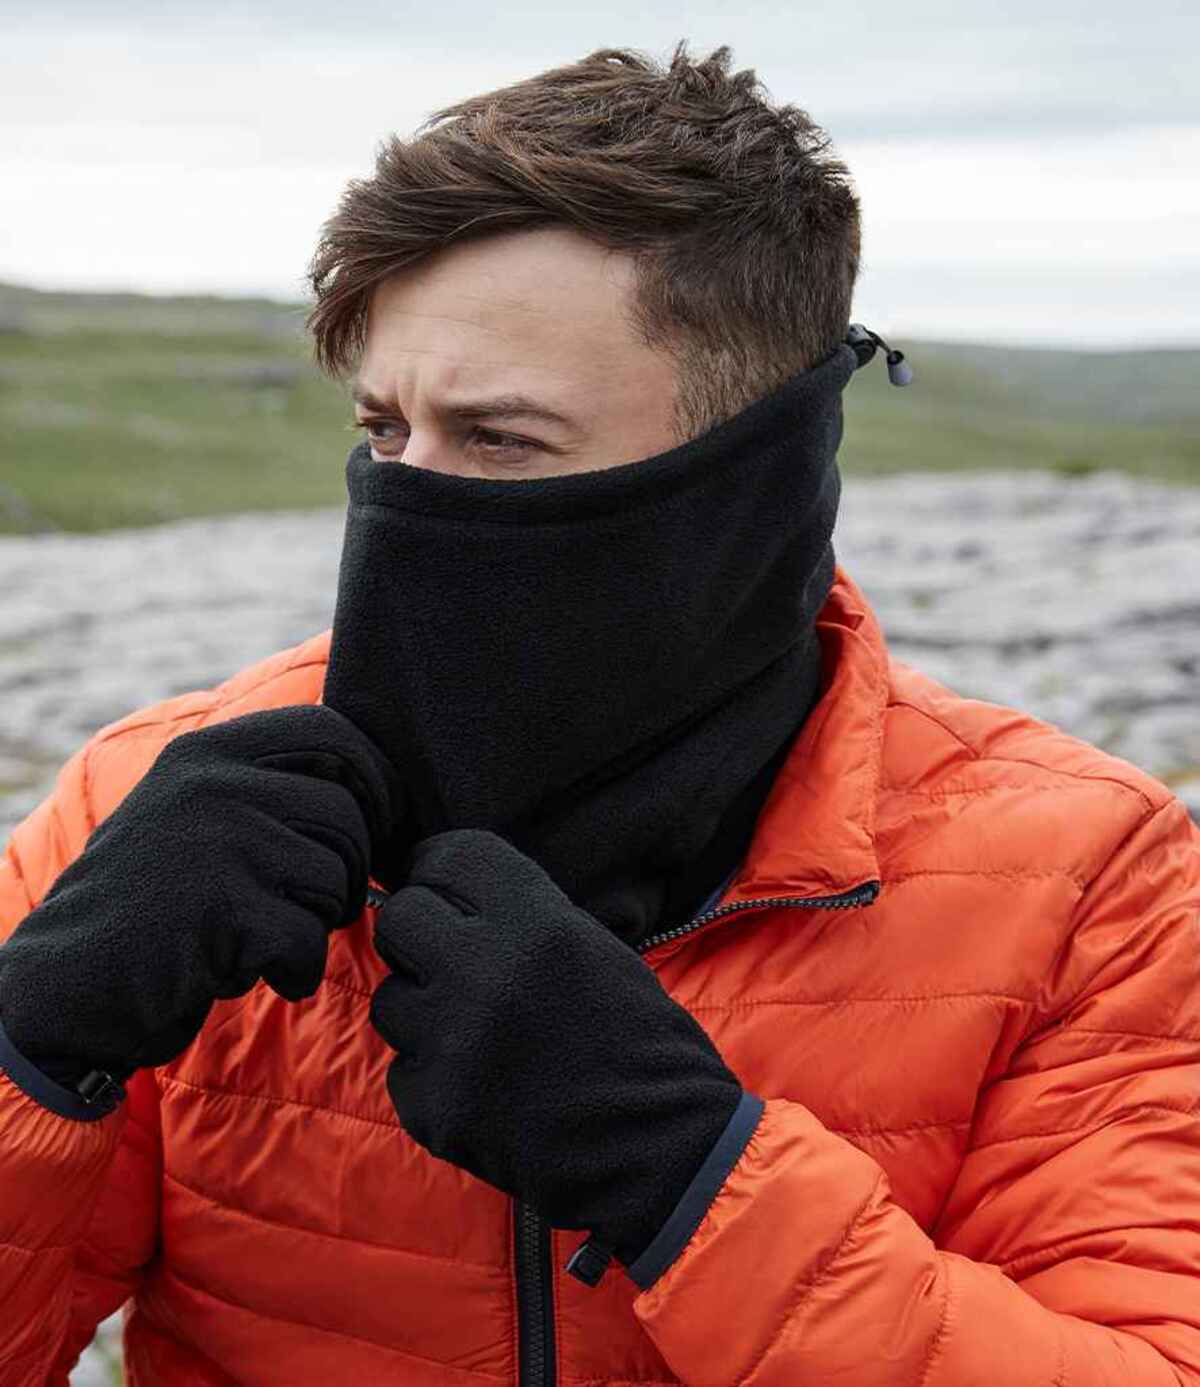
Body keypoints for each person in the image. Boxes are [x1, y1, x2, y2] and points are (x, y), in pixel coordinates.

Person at [0, 41, 1197, 1387]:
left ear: (743, 475)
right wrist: (30, 1047)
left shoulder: (1085, 881)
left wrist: (686, 1174)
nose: (410, 502)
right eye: (385, 431)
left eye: (503, 440)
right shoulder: (155, 805)